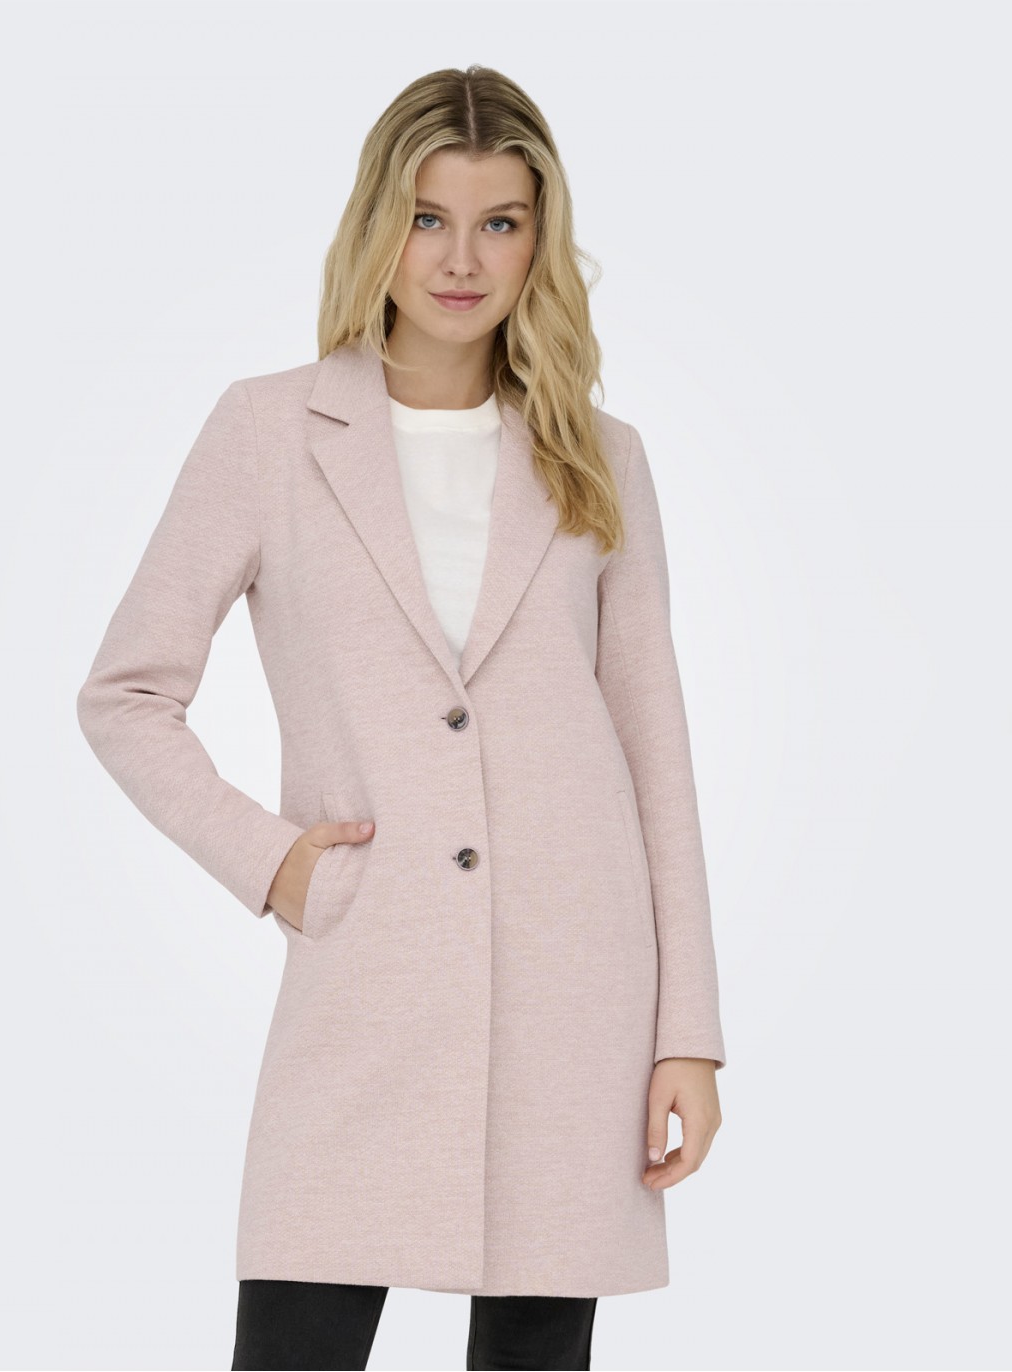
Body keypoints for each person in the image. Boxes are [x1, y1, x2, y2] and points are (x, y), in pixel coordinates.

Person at [77, 64, 726, 1372]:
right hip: (366, 980)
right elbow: (127, 694)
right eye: (430, 217)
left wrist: (688, 1037)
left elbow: (655, 751)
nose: (461, 259)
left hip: (574, 988)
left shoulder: (602, 457)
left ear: (539, 239)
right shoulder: (269, 431)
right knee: (298, 1342)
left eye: (500, 222)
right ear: (379, 222)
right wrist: (274, 863)